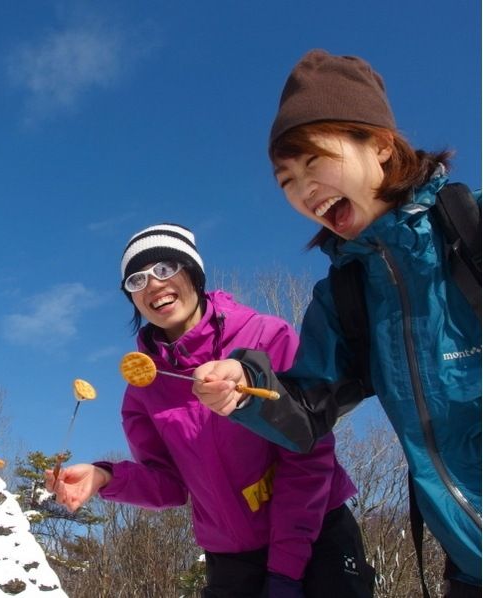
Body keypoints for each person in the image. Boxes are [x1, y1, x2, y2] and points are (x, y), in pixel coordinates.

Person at [191, 49, 481, 595]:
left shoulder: (474, 233)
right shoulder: (346, 295)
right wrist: (247, 389)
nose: (303, 190)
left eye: (313, 162)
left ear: (379, 144)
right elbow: (306, 410)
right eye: (286, 181)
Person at [46, 223, 375, 597]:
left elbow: (307, 452)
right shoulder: (143, 392)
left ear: (194, 272)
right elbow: (169, 485)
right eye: (137, 280)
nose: (153, 284)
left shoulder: (267, 338)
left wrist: (286, 571)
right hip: (232, 559)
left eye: (166, 269)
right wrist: (105, 477)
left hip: (316, 536)